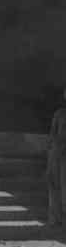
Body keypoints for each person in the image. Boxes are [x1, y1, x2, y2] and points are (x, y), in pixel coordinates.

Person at [46, 88, 66, 225]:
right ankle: (55, 217)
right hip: (57, 152)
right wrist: (52, 149)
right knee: (54, 183)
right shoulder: (59, 114)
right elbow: (53, 133)